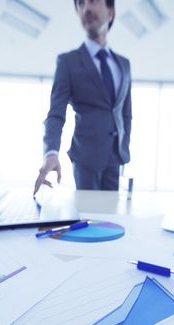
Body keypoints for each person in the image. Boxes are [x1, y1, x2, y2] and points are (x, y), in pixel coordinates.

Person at [34, 0, 132, 195]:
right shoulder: (68, 62)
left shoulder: (123, 64)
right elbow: (55, 113)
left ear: (110, 12)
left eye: (93, 1)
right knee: (89, 219)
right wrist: (51, 151)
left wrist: (123, 145)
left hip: (116, 159)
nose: (86, 8)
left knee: (112, 221)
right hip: (86, 160)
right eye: (80, 4)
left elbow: (125, 113)